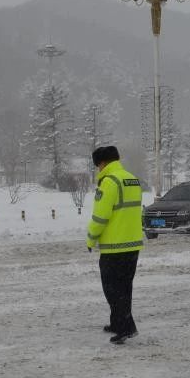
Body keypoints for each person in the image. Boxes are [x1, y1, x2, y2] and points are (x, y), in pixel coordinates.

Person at [86, 146, 144, 344]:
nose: (98, 170)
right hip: (132, 244)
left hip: (114, 246)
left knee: (112, 289)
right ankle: (117, 323)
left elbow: (100, 217)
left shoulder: (109, 183)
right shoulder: (131, 179)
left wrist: (90, 238)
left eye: (98, 166)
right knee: (124, 288)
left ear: (102, 163)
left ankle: (127, 327)